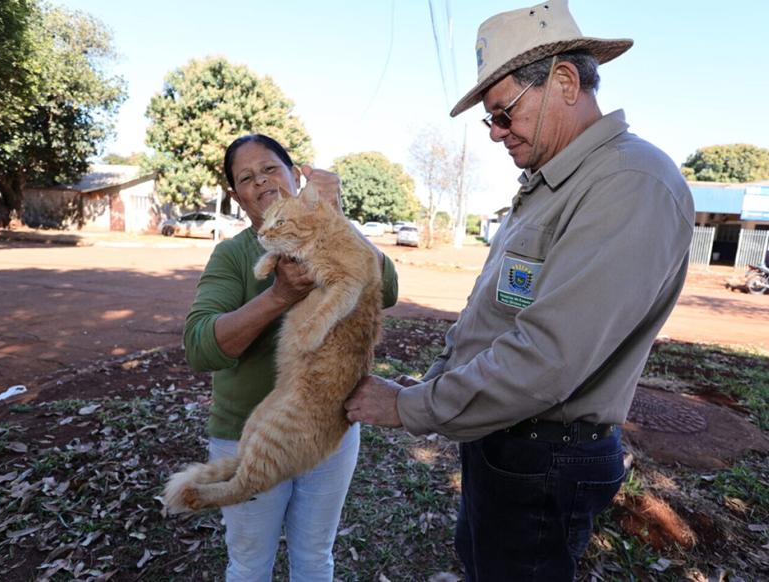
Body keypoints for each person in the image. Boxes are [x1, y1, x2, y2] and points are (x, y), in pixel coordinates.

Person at [345, 0, 694, 580]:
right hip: (505, 440)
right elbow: (499, 316)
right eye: (490, 121)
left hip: (545, 455)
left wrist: (410, 407)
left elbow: (546, 357)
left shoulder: (630, 182)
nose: (496, 135)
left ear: (563, 81)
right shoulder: (552, 182)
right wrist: (434, 383)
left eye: (504, 113)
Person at [183, 133, 398, 582]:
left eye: (270, 169)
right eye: (246, 178)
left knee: (316, 557)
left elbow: (389, 286)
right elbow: (201, 347)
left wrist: (335, 216)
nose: (261, 183)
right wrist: (279, 295)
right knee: (249, 564)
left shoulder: (329, 228)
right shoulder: (234, 254)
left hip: (328, 426)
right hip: (252, 429)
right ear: (235, 196)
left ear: (294, 174)